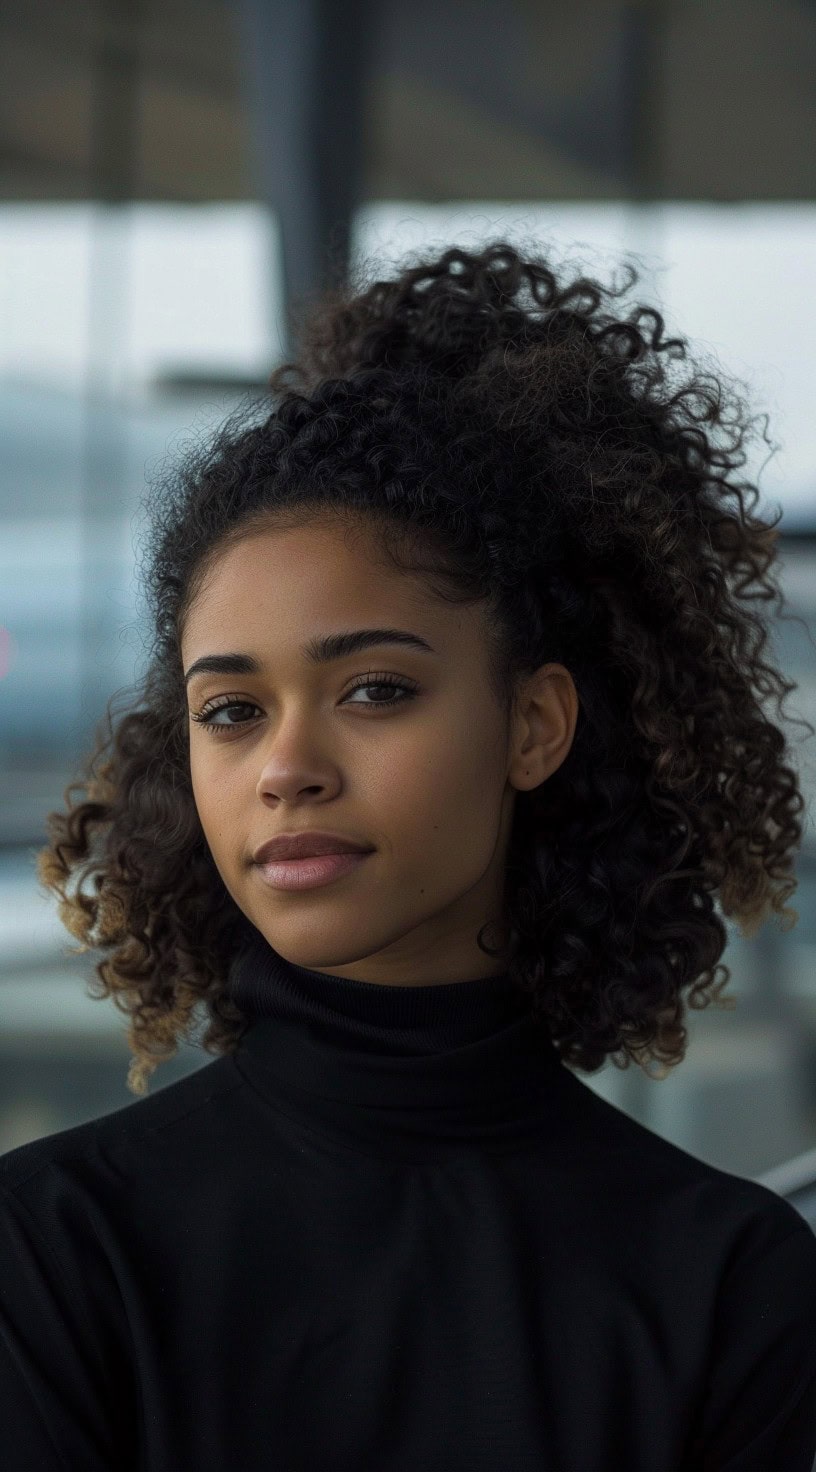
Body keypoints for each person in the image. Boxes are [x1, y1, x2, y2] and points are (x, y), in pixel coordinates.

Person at [2, 240, 816, 1470]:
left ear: (533, 725)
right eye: (231, 709)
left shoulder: (729, 1279)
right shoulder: (52, 1248)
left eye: (375, 688)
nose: (287, 765)